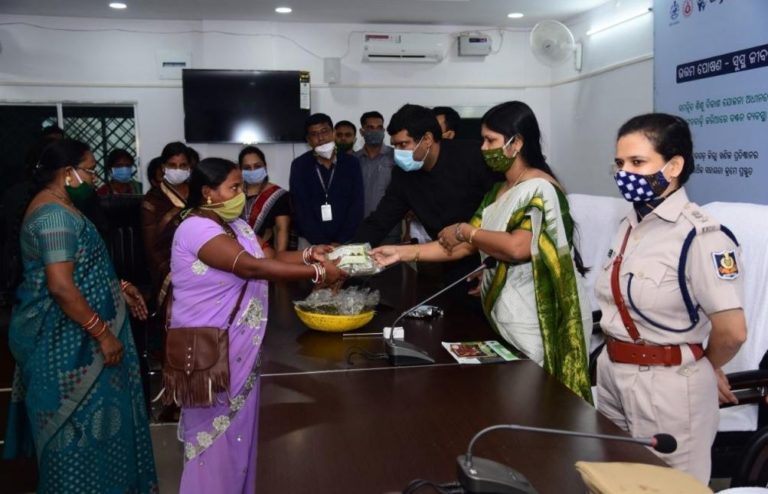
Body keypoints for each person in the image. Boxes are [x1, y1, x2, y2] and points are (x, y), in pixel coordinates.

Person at [371, 101, 593, 402]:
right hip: (505, 315)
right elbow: (461, 247)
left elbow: (517, 246)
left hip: (538, 315)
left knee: (540, 405)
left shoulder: (540, 188)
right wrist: (400, 253)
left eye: (491, 140)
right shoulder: (499, 190)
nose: (484, 148)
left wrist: (467, 230)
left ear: (517, 144)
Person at [171, 157, 345, 493]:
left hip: (240, 350)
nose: (241, 194)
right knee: (214, 439)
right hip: (211, 351)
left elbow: (272, 258)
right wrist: (320, 274)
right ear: (208, 192)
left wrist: (313, 256)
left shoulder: (236, 224)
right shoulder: (195, 227)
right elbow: (250, 267)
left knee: (240, 435)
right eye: (233, 187)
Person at [594, 113, 747, 483]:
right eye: (619, 163)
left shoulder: (702, 236)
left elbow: (733, 331)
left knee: (668, 488)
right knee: (614, 484)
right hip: (612, 374)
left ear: (674, 165)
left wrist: (703, 367)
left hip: (667, 384)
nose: (624, 172)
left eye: (637, 162)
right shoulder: (630, 226)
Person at [3, 139, 158, 493]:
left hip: (74, 337)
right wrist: (102, 333)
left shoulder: (62, 207)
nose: (92, 176)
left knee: (98, 430)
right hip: (65, 346)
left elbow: (77, 268)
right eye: (88, 169)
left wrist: (116, 285)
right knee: (71, 434)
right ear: (66, 173)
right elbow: (59, 286)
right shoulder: (53, 215)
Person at [354, 104, 499, 301]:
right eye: (394, 145)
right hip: (447, 259)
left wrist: (494, 264)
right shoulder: (402, 174)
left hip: (492, 257)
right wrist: (348, 256)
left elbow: (503, 212)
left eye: (403, 144)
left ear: (428, 139)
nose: (397, 152)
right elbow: (380, 221)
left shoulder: (473, 156)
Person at [289, 113, 364, 246]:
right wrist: (321, 242)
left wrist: (340, 240)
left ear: (333, 133)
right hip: (310, 241)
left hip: (346, 241)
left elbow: (357, 205)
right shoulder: (299, 165)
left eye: (325, 131)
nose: (321, 137)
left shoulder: (351, 163)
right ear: (308, 139)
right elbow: (301, 209)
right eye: (314, 134)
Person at [141, 141, 190, 309]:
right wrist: (171, 273)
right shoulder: (152, 200)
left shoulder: (198, 193)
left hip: (203, 260)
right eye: (172, 165)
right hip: (170, 266)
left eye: (183, 166)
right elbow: (152, 246)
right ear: (163, 167)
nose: (178, 170)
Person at [353, 111, 400, 245]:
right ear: (362, 131)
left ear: (384, 130)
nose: (375, 131)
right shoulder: (353, 160)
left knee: (391, 266)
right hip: (360, 229)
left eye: (379, 127)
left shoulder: (397, 157)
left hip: (390, 230)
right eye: (370, 128)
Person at [239, 145, 291, 252]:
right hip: (236, 253)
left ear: (265, 167)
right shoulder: (233, 194)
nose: (253, 170)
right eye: (247, 168)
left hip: (265, 254)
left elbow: (282, 229)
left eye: (257, 166)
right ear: (240, 170)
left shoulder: (278, 195)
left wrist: (279, 259)